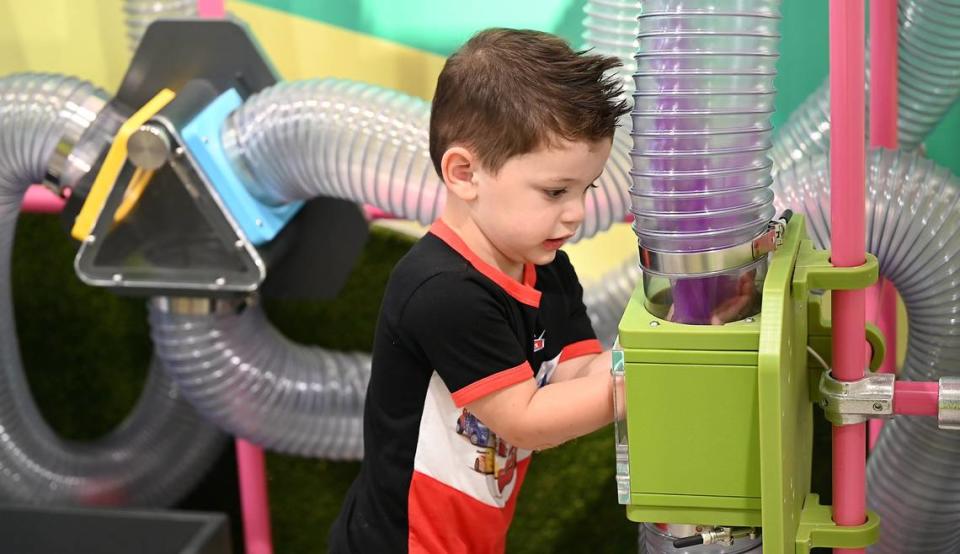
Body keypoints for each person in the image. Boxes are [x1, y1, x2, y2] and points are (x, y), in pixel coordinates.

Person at [328, 27, 629, 554]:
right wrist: (640, 386)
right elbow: (528, 420)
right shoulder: (444, 291)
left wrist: (655, 361)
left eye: (588, 187)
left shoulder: (546, 265)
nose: (578, 212)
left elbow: (579, 370)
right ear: (465, 173)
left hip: (474, 534)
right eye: (556, 190)